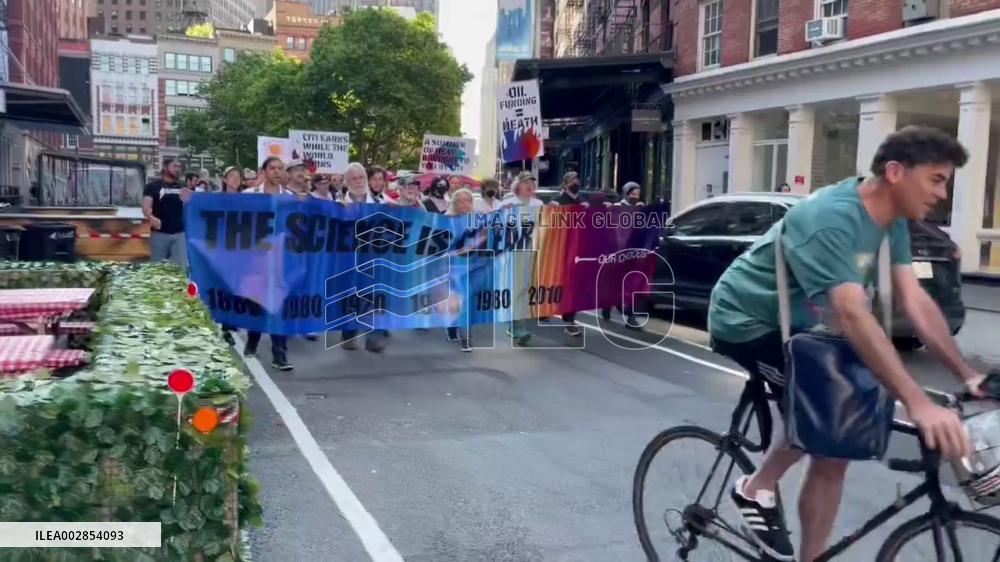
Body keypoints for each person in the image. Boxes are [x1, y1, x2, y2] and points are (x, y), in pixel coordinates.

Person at [709, 127, 985, 562]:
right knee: (822, 414)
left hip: (804, 326)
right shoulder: (829, 219)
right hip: (746, 320)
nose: (943, 193)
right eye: (936, 179)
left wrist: (966, 373)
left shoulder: (890, 222)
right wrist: (916, 403)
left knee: (833, 452)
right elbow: (854, 315)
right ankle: (756, 486)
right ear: (896, 172)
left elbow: (915, 300)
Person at [240, 157, 295, 370]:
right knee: (257, 302)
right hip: (256, 259)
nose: (276, 171)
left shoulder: (291, 198)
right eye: (272, 168)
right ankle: (253, 339)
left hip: (282, 259)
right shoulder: (250, 196)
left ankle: (279, 354)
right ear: (264, 172)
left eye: (280, 168)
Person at [339, 162, 388, 353]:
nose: (358, 182)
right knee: (351, 296)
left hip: (374, 258)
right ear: (347, 182)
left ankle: (375, 336)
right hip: (348, 259)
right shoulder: (338, 206)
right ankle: (348, 333)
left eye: (361, 178)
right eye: (354, 178)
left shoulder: (381, 204)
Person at [501, 172, 543, 346]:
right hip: (513, 252)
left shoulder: (538, 204)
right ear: (518, 185)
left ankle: (517, 324)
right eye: (526, 183)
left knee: (525, 289)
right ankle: (515, 325)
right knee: (515, 288)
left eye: (532, 183)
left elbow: (545, 226)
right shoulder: (508, 204)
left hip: (531, 251)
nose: (530, 186)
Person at [549, 171, 588, 337]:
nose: (576, 182)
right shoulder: (557, 203)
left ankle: (569, 320)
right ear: (565, 184)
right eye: (572, 180)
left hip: (579, 250)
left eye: (577, 179)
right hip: (562, 249)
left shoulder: (583, 203)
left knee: (574, 286)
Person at [601, 181, 644, 329]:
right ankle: (608, 304)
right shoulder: (617, 208)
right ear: (626, 193)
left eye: (637, 194)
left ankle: (631, 317)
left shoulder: (641, 208)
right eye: (633, 194)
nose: (635, 197)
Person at [143, 157, 192, 268]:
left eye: (179, 167)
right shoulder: (152, 187)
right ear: (165, 168)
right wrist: (151, 218)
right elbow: (146, 207)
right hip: (159, 234)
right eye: (174, 166)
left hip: (179, 234)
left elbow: (193, 205)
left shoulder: (183, 187)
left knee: (181, 269)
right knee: (156, 269)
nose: (178, 169)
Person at [445, 188, 476, 352]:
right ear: (455, 203)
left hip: (472, 264)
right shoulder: (447, 220)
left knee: (468, 300)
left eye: (468, 200)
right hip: (453, 264)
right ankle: (457, 330)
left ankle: (463, 334)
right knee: (457, 299)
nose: (465, 204)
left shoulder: (476, 220)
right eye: (461, 201)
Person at [218, 166, 244, 345]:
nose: (235, 179)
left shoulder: (247, 200)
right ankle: (226, 325)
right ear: (225, 180)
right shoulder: (217, 200)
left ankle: (233, 320)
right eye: (232, 176)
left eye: (238, 177)